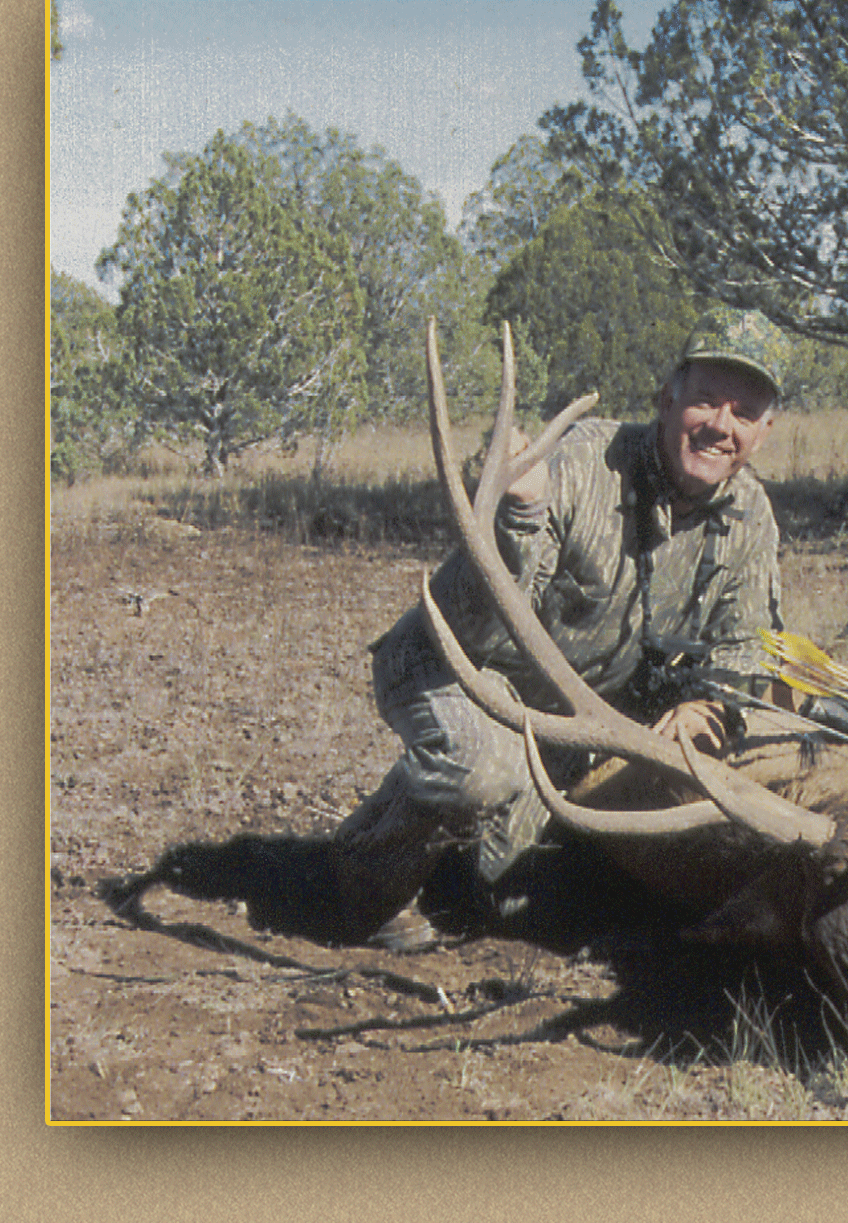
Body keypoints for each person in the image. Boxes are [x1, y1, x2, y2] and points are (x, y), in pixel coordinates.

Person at [322, 308, 787, 949]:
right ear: (666, 398)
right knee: (477, 771)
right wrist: (520, 514)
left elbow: (749, 644)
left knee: (503, 887)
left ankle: (458, 837)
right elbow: (484, 623)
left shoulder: (749, 515)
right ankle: (363, 870)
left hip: (568, 720)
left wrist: (706, 703)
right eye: (705, 400)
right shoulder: (578, 465)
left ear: (765, 430)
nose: (720, 426)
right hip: (458, 667)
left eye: (743, 413)